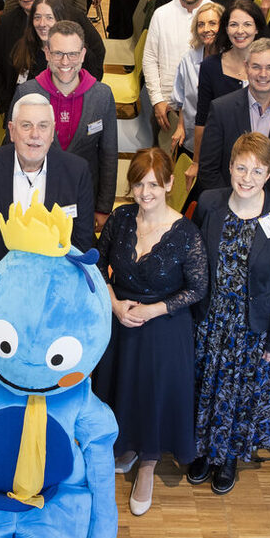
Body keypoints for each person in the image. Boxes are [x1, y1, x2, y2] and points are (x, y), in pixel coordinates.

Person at [189, 133, 270, 493]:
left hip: (252, 326)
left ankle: (228, 458)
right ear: (230, 166)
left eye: (257, 170)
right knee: (205, 387)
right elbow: (193, 261)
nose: (247, 178)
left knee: (238, 394)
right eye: (241, 168)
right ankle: (202, 451)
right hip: (209, 319)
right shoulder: (210, 202)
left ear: (269, 173)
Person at [97, 149, 209, 515]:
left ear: (170, 184)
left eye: (154, 185)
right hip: (122, 317)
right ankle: (127, 446)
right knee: (122, 388)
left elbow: (198, 288)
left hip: (164, 324)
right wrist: (115, 305)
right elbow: (97, 265)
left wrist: (153, 309)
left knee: (152, 393)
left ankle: (148, 463)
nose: (145, 193)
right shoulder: (120, 218)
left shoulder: (186, 233)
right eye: (138, 184)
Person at [0, 92, 96, 286]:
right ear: (12, 131)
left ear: (52, 132)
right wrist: (0, 279)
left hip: (52, 287)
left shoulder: (76, 171)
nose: (35, 134)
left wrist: (47, 280)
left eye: (43, 126)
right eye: (26, 125)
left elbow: (81, 239)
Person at [197, 41, 270, 206]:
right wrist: (231, 207)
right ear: (246, 67)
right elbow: (208, 169)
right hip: (229, 206)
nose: (263, 74)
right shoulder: (222, 109)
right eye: (256, 67)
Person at [35, 21, 117, 222]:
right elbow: (12, 150)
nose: (65, 62)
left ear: (82, 54)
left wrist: (104, 207)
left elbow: (108, 154)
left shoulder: (102, 96)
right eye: (58, 53)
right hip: (37, 200)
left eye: (72, 54)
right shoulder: (28, 93)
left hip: (84, 198)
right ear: (47, 53)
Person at [144, 0, 213, 148]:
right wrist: (157, 101)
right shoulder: (161, 14)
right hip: (166, 108)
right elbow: (149, 59)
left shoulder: (215, 17)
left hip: (203, 109)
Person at [192, 0, 267, 157]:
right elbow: (202, 120)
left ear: (257, 29)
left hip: (263, 155)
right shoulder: (210, 67)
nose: (240, 31)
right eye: (233, 25)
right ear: (226, 28)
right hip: (221, 152)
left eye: (247, 24)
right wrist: (197, 161)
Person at [169, 1, 225, 155]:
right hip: (191, 138)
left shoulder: (231, 61)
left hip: (221, 141)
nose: (206, 29)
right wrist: (180, 126)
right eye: (201, 25)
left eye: (212, 23)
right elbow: (182, 99)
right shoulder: (188, 60)